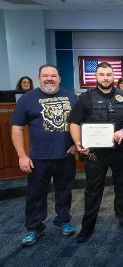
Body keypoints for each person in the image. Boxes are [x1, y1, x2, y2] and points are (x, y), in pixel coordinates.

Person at [69, 62, 123, 243]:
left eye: (109, 74)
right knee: (93, 191)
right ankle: (87, 227)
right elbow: (74, 122)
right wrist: (78, 143)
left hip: (121, 151)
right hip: (95, 153)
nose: (106, 78)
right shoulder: (86, 98)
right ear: (96, 77)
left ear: (113, 76)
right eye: (102, 74)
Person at [11, 64, 77, 246]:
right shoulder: (27, 98)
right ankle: (34, 228)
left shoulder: (71, 96)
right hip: (37, 158)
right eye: (45, 75)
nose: (49, 79)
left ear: (59, 78)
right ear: (39, 78)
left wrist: (76, 144)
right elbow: (16, 128)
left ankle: (63, 221)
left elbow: (80, 122)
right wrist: (21, 155)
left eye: (53, 76)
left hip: (65, 156)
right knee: (35, 195)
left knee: (64, 192)